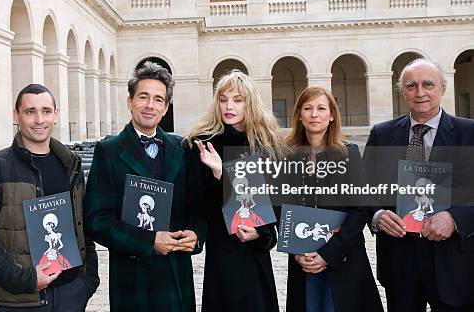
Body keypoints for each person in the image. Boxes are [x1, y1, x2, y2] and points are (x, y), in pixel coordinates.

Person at [84, 61, 206, 312]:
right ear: (130, 101)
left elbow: (198, 207)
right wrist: (148, 241)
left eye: (158, 99)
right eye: (143, 97)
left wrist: (196, 234)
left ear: (166, 108)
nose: (150, 105)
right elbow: (96, 220)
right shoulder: (108, 151)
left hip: (175, 274)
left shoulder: (183, 148)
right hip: (132, 276)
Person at [0, 84, 99, 311]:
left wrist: (87, 281)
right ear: (16, 115)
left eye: (46, 111)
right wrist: (25, 279)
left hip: (71, 294)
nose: (39, 119)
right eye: (30, 111)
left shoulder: (71, 165)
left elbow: (82, 227)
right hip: (19, 300)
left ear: (56, 114)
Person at [363, 59, 474, 311]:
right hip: (399, 261)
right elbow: (364, 189)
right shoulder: (382, 134)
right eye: (411, 85)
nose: (420, 92)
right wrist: (378, 214)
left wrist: (455, 217)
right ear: (402, 91)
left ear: (443, 88)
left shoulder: (469, 133)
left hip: (454, 263)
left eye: (428, 84)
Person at [186, 70, 283, 312]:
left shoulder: (267, 144)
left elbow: (276, 203)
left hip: (255, 251)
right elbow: (199, 205)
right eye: (223, 99)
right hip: (222, 250)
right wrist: (221, 176)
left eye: (237, 100)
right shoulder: (203, 143)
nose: (229, 106)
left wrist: (262, 233)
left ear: (249, 103)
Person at [285, 85, 382, 312]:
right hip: (303, 258)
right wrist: (297, 252)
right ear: (300, 115)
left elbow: (359, 210)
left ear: (331, 116)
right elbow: (282, 208)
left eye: (321, 108)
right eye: (308, 108)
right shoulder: (286, 156)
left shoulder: (349, 154)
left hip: (343, 257)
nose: (314, 114)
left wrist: (328, 254)